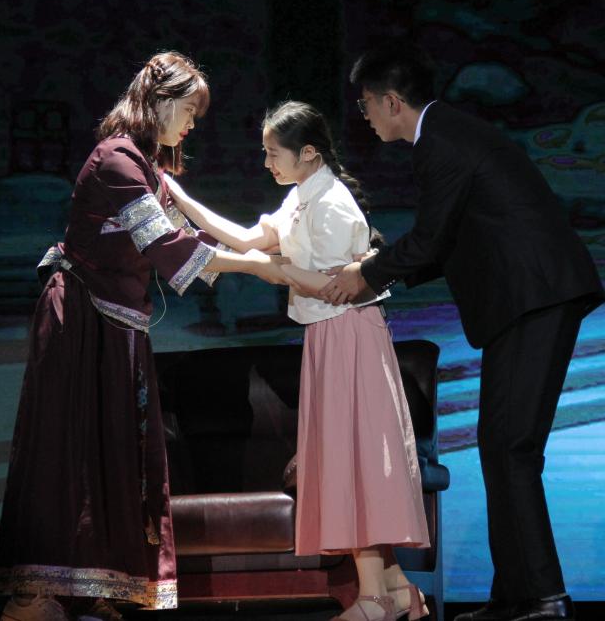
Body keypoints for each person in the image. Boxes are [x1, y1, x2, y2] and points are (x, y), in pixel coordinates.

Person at [0, 52, 292, 621]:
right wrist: (258, 267)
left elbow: (189, 234)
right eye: (189, 111)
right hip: (81, 321)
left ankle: (101, 585)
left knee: (118, 452)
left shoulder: (146, 168)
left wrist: (262, 253)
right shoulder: (116, 162)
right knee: (68, 449)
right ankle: (35, 594)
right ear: (159, 102)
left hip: (118, 324)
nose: (192, 124)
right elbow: (167, 247)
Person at [321, 45, 605, 621]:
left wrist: (365, 274)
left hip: (535, 296)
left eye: (367, 104)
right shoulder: (448, 134)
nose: (365, 116)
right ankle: (516, 597)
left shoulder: (441, 143)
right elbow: (447, 241)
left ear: (392, 101)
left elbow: (430, 238)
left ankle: (545, 598)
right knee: (501, 448)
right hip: (525, 299)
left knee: (511, 448)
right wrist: (380, 265)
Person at [164, 100, 431, 621]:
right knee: (345, 454)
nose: (266, 163)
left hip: (349, 331)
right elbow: (248, 238)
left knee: (354, 458)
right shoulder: (304, 195)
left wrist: (265, 268)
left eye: (273, 153)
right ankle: (395, 586)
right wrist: (180, 198)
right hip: (327, 334)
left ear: (308, 152)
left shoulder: (330, 203)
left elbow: (333, 286)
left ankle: (375, 597)